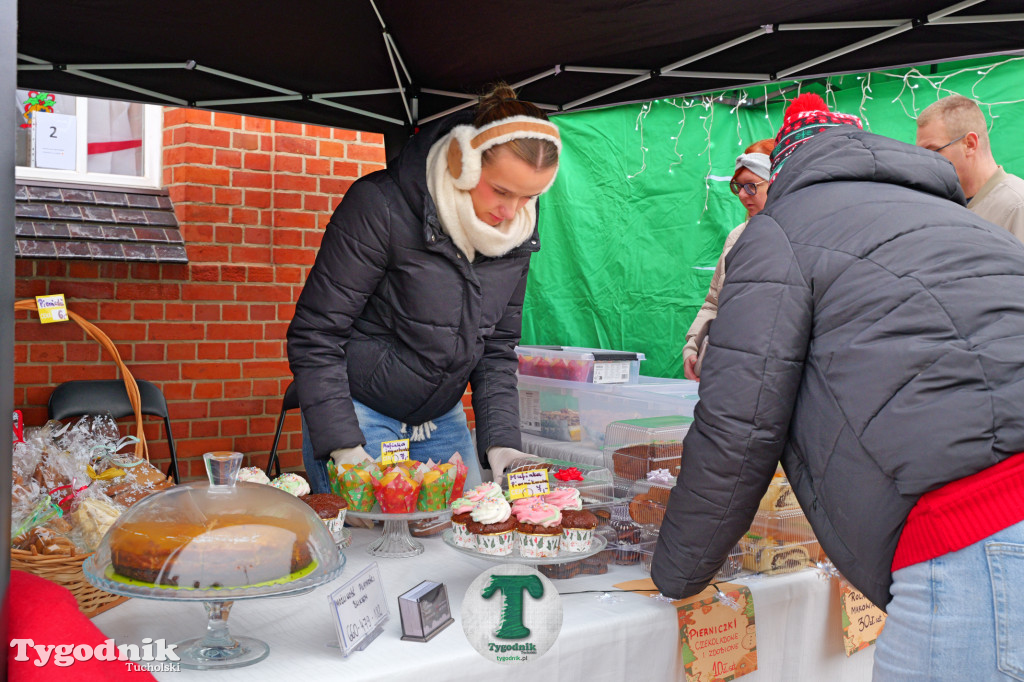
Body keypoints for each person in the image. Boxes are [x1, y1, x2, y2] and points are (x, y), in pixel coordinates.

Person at [651, 93, 1024, 680]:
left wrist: (677, 573)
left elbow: (737, 428)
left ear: (789, 168)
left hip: (978, 533)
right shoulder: (961, 220)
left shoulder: (780, 232)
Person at [287, 84, 558, 497]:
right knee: (378, 548)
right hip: (359, 412)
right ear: (462, 162)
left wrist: (502, 443)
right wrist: (343, 443)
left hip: (441, 416)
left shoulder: (517, 232)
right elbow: (316, 333)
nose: (511, 213)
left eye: (530, 196)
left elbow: (497, 346)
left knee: (459, 533)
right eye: (501, 191)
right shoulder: (379, 206)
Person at [682, 139, 774, 381]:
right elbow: (713, 303)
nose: (743, 195)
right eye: (738, 187)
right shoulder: (736, 237)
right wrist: (693, 348)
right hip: (725, 374)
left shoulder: (799, 240)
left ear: (776, 183)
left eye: (751, 186)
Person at [916, 93, 1024, 240]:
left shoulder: (1017, 205)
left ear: (970, 144)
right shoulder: (946, 204)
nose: (926, 162)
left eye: (933, 151)